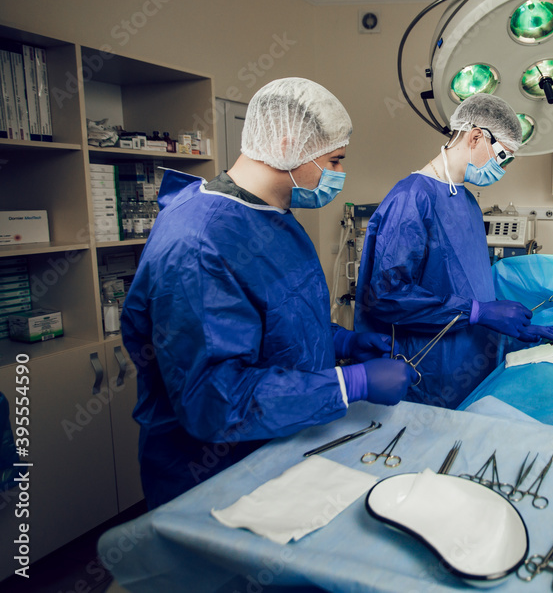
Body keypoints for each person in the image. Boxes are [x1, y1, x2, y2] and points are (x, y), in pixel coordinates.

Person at [121, 78, 416, 509]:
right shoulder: (200, 242)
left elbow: (276, 318)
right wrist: (349, 382)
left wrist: (344, 341)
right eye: (335, 160)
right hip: (213, 475)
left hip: (281, 445)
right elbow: (213, 399)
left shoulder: (272, 217)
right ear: (287, 144)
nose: (339, 175)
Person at [354, 93, 553, 409]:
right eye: (502, 156)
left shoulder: (467, 202)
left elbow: (468, 286)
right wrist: (477, 312)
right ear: (477, 136)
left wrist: (514, 327)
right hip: (425, 369)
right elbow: (387, 297)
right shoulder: (412, 198)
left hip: (468, 366)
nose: (502, 167)